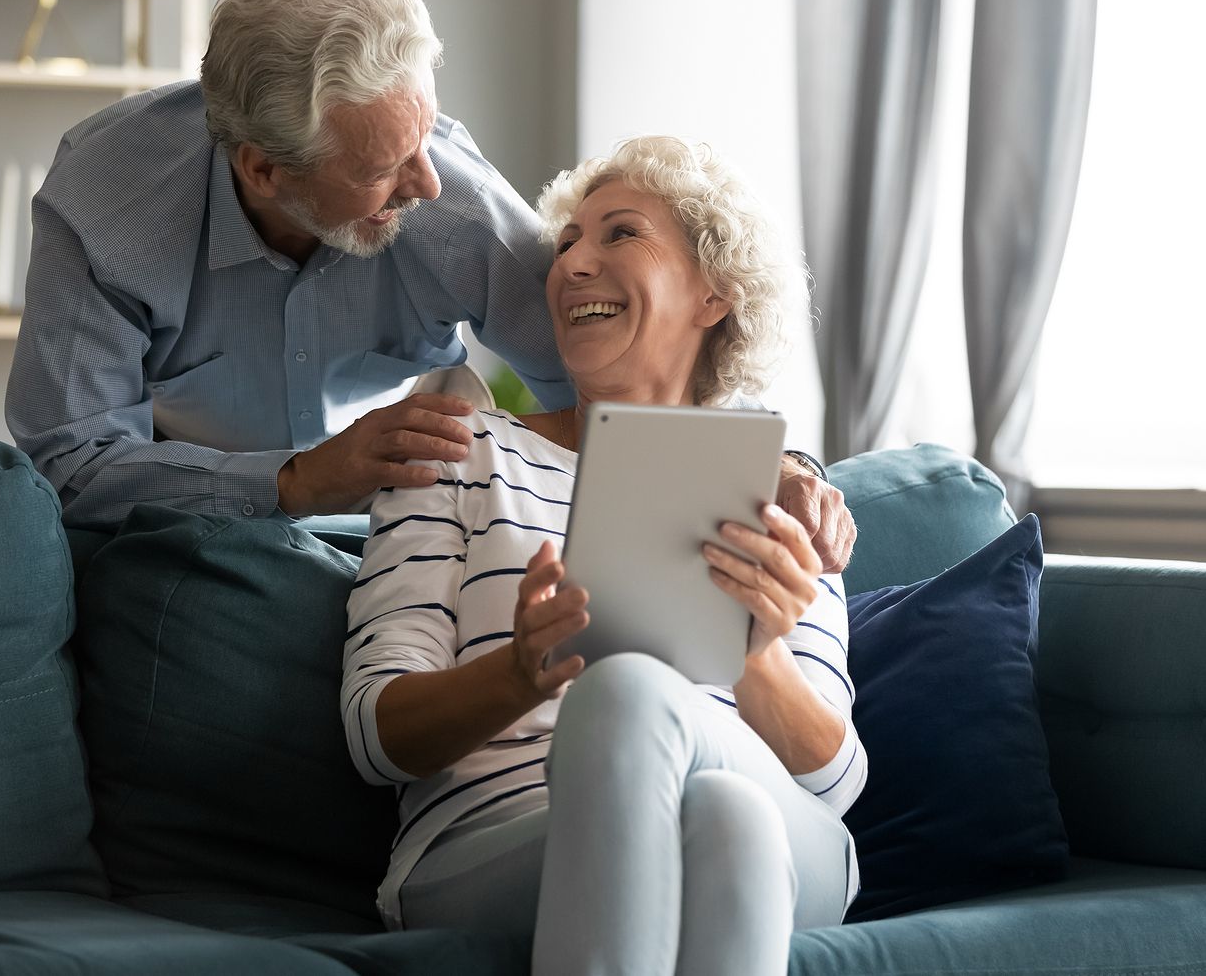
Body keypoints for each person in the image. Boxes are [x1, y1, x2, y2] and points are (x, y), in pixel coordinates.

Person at [4, 0, 851, 573]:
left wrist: (772, 461)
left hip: (410, 545)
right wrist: (296, 481)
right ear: (264, 168)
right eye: (382, 168)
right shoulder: (107, 207)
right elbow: (71, 467)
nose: (428, 180)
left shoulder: (445, 195)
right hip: (188, 549)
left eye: (425, 135)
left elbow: (630, 364)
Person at [343, 136, 866, 976]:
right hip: (491, 841)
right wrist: (518, 674)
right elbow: (375, 736)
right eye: (566, 244)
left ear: (713, 294)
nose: (575, 263)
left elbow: (834, 782)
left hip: (787, 833)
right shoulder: (459, 446)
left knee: (716, 786)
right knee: (722, 819)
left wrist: (757, 655)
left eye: (620, 234)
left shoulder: (774, 486)